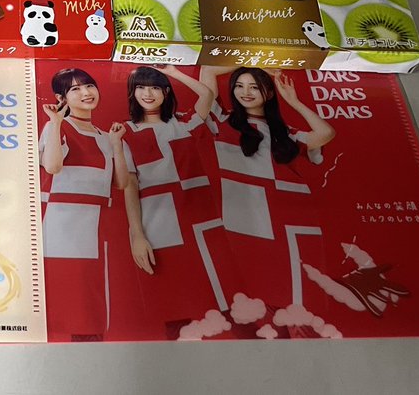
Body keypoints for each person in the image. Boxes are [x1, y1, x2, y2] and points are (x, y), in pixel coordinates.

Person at [192, 66, 335, 328]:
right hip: (238, 214)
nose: (245, 92)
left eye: (254, 87)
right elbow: (209, 69)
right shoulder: (220, 119)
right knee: (240, 293)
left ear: (268, 93)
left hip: (283, 217)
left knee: (285, 292)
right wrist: (257, 58)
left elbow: (325, 134)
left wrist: (293, 101)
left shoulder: (284, 133)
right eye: (239, 86)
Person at [114, 65, 223, 339]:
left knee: (217, 294)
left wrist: (174, 71)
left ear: (166, 91)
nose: (147, 93)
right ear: (132, 93)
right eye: (141, 87)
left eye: (155, 87)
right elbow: (130, 186)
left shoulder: (183, 122)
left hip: (202, 217)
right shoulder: (125, 132)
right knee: (174, 301)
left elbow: (207, 95)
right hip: (160, 223)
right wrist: (137, 235)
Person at [38, 67, 133, 341]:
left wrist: (116, 145)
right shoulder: (57, 126)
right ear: (61, 98)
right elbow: (52, 166)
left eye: (89, 86)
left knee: (90, 302)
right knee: (61, 297)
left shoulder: (105, 136)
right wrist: (56, 122)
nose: (86, 93)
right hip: (60, 223)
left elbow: (121, 183)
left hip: (95, 226)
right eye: (75, 89)